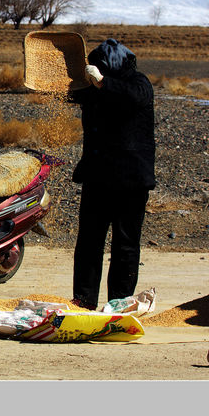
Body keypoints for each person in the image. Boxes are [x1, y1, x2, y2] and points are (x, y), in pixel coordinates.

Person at [69, 38, 156, 310]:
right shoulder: (94, 89)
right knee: (88, 244)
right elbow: (73, 93)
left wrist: (103, 82)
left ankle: (119, 303)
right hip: (98, 177)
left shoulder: (137, 83)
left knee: (125, 246)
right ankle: (83, 302)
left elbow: (132, 97)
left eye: (98, 66)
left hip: (131, 181)